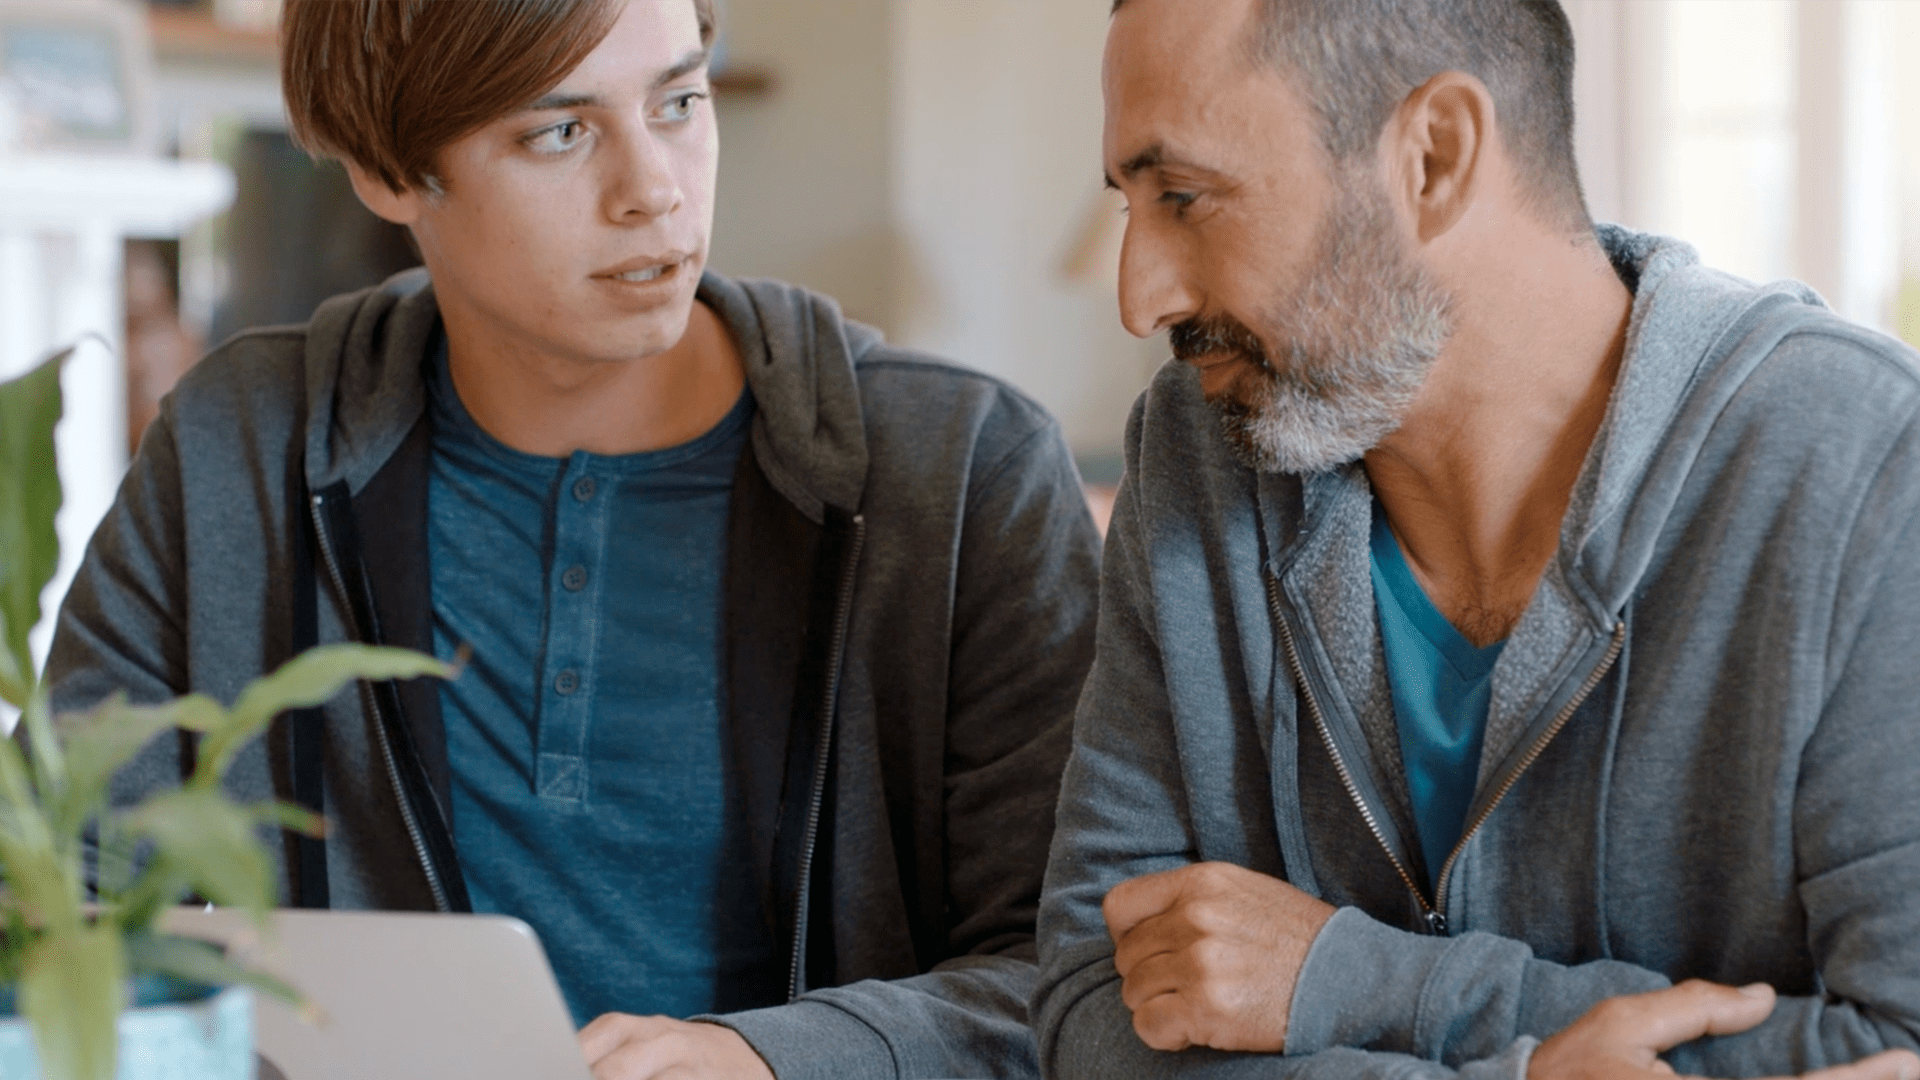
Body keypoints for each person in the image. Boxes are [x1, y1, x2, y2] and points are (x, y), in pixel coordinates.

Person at [46, 2, 1100, 1078]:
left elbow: (1081, 978)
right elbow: (62, 891)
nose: (656, 188)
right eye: (561, 132)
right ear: (386, 169)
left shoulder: (964, 470)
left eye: (679, 102)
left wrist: (771, 1061)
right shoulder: (241, 447)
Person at [1033, 1, 1920, 1078]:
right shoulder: (1194, 456)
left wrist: (1353, 983)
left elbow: (1896, 1044)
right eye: (1130, 204)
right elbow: (1091, 1006)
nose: (1140, 297)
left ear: (1435, 156)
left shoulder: (1867, 465)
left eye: (1184, 196)